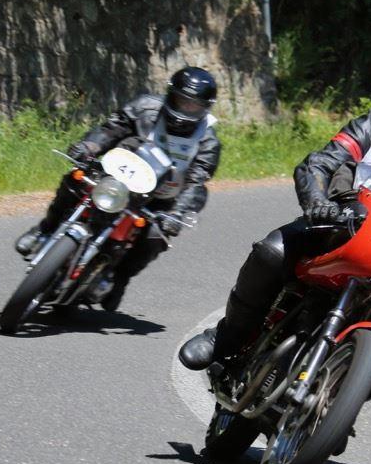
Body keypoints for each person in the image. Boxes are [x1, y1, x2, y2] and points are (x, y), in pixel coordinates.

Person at [177, 54, 371, 398]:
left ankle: (338, 398)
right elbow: (319, 164)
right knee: (270, 253)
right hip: (341, 227)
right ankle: (226, 338)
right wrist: (318, 203)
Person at [15, 66, 221, 312]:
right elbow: (112, 128)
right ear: (170, 95)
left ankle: (118, 278)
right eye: (181, 100)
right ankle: (44, 230)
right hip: (118, 176)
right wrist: (89, 146)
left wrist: (177, 215)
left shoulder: (207, 142)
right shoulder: (145, 107)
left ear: (205, 107)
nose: (185, 108)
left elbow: (197, 181)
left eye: (193, 105)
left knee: (156, 235)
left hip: (160, 198)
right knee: (76, 179)